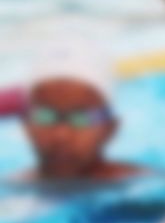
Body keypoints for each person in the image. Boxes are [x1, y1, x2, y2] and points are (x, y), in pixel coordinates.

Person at [17, 40, 141, 182]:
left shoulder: (140, 187)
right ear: (25, 125)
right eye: (46, 117)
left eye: (81, 118)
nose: (61, 135)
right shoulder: (13, 190)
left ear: (111, 128)